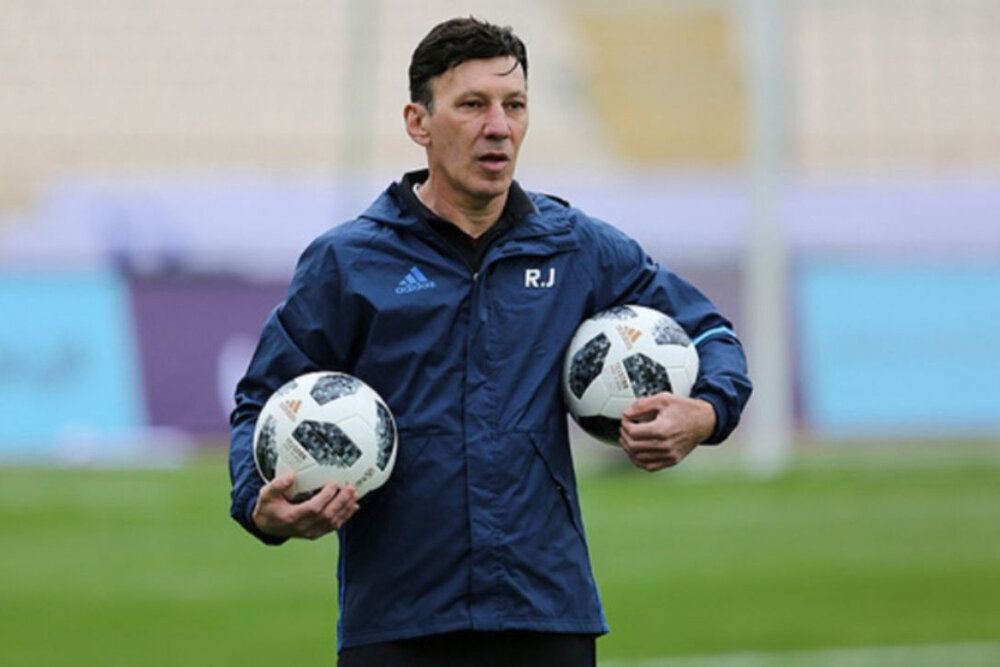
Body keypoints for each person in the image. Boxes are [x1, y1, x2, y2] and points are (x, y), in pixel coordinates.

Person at [229, 16, 752, 667]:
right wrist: (259, 506)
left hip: (545, 610)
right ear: (419, 122)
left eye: (515, 105)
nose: (498, 126)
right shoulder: (348, 261)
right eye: (473, 105)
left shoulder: (574, 246)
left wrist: (706, 412)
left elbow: (709, 329)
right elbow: (261, 400)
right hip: (398, 619)